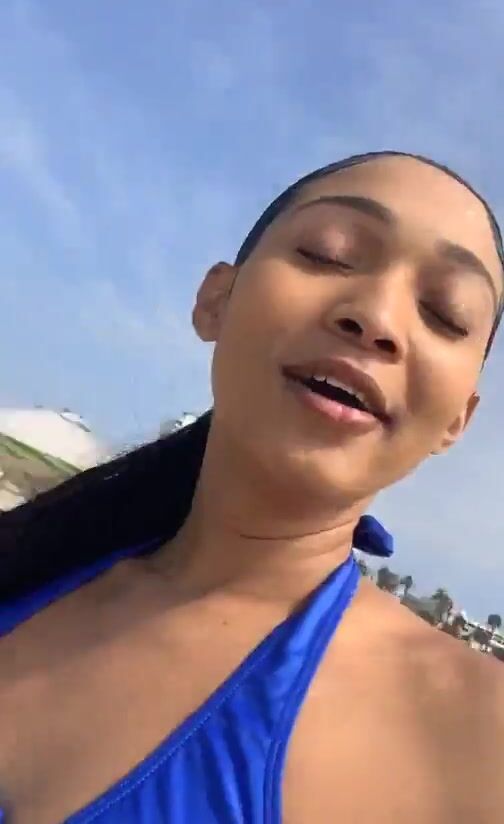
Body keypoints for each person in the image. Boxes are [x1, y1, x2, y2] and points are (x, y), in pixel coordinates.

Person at [1, 151, 503, 823]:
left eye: (444, 312)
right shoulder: (35, 555)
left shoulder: (475, 742)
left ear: (457, 421)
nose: (377, 318)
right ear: (216, 299)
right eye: (329, 253)